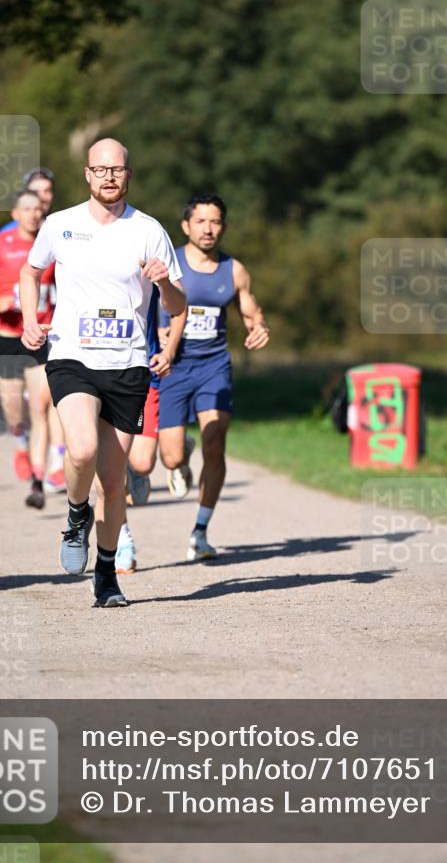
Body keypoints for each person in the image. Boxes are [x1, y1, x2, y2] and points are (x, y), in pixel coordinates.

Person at [20, 137, 186, 608]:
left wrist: (161, 282)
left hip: (127, 363)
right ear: (88, 175)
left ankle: (107, 575)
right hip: (72, 354)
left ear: (128, 175)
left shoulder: (149, 231)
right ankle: (76, 517)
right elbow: (31, 273)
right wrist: (31, 321)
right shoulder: (60, 224)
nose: (109, 176)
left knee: (114, 483)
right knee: (83, 449)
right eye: (100, 169)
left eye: (118, 170)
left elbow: (178, 306)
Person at [158, 193, 270, 561]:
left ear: (224, 226)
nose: (209, 229)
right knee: (171, 458)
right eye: (201, 221)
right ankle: (181, 454)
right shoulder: (167, 262)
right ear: (186, 225)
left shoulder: (233, 269)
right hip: (173, 366)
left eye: (216, 221)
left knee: (216, 437)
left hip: (213, 366)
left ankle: (201, 531)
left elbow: (251, 312)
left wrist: (259, 328)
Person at [0, 190, 56, 509]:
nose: (33, 214)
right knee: (14, 412)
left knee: (40, 407)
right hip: (6, 337)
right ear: (14, 214)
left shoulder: (53, 242)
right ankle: (20, 442)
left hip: (38, 335)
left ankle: (38, 480)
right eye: (27, 209)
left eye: (38, 208)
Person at [0, 167, 66, 492]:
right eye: (36, 193)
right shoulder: (6, 236)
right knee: (17, 408)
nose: (42, 199)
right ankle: (22, 443)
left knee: (49, 400)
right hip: (11, 333)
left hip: (51, 330)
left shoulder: (64, 229)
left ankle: (56, 462)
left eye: (47, 193)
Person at [116, 289, 186, 573]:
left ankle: (138, 467)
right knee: (109, 464)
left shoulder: (147, 249)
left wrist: (167, 343)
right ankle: (123, 543)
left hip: (144, 369)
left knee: (143, 463)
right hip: (98, 371)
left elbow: (177, 301)